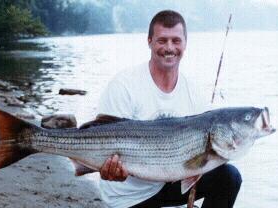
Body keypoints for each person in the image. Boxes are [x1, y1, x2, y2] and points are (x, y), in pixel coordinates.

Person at [96, 10, 242, 208]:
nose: (169, 47)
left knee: (229, 177)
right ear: (149, 41)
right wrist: (107, 168)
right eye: (162, 40)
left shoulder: (193, 92)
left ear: (185, 43)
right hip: (129, 195)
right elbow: (100, 130)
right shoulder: (124, 85)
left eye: (176, 40)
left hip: (169, 183)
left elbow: (204, 157)